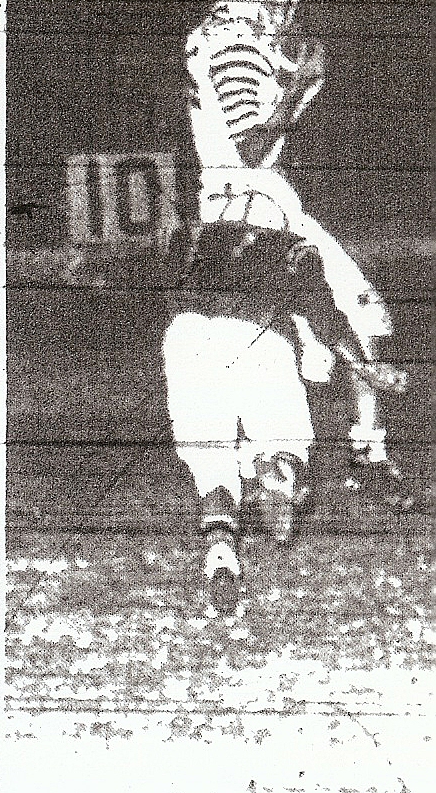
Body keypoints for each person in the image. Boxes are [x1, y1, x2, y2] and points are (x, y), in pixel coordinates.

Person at [185, 0, 399, 473]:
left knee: (310, 323)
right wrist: (302, 86)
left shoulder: (218, 36)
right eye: (279, 7)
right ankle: (355, 447)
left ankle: (340, 446)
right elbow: (253, 145)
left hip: (237, 199)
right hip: (252, 200)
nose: (284, 20)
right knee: (354, 312)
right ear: (264, 2)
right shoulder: (235, 45)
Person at [162, 189, 408, 617]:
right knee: (286, 438)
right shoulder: (293, 249)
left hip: (183, 337)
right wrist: (365, 367)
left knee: (209, 457)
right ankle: (276, 471)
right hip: (254, 335)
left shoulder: (191, 237)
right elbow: (326, 318)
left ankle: (221, 549)